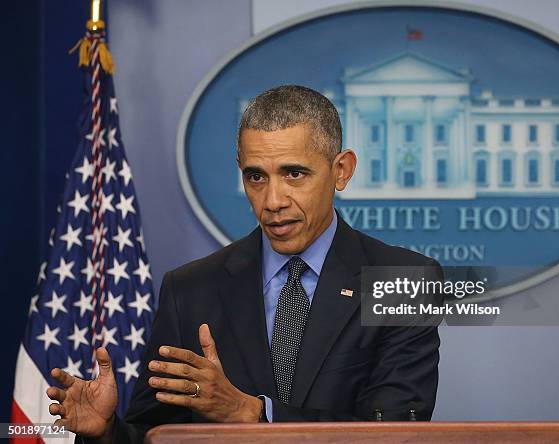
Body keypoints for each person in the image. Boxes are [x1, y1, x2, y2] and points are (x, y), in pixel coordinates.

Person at [46, 85, 443, 443]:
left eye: (294, 174)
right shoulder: (190, 289)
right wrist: (108, 432)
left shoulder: (405, 281)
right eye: (256, 176)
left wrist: (252, 414)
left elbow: (393, 433)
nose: (272, 201)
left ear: (341, 171)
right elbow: (157, 433)